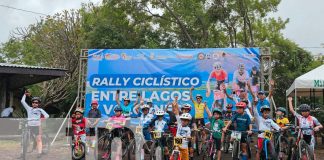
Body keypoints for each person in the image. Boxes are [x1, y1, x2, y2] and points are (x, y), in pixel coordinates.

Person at [21, 91, 49, 158]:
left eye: (36, 103)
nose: (34, 104)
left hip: (37, 126)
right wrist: (25, 95)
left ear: (38, 104)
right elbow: (22, 101)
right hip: (29, 126)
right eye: (33, 102)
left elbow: (47, 115)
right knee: (24, 139)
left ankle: (39, 153)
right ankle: (22, 153)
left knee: (38, 139)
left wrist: (42, 119)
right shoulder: (29, 109)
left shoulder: (40, 110)